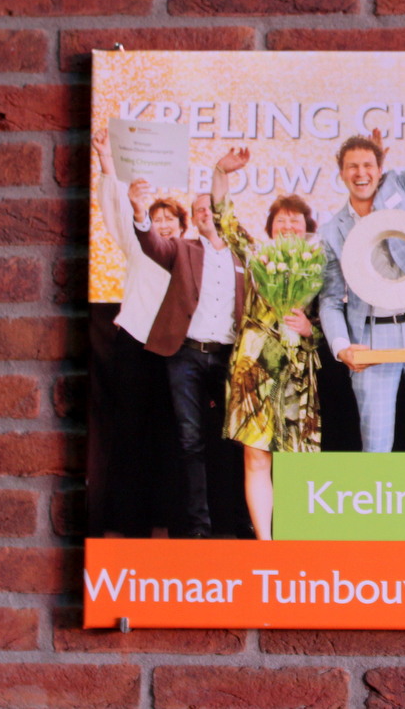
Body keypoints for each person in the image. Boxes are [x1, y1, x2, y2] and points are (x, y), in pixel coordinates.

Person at [319, 59, 405, 453]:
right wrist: (342, 346)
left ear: (380, 169)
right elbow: (330, 300)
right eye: (352, 167)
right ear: (341, 173)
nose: (360, 173)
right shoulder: (332, 230)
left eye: (368, 165)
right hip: (370, 336)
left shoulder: (403, 188)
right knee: (376, 445)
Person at [208, 148, 321, 541]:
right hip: (255, 366)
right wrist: (221, 171)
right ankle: (265, 542)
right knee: (256, 457)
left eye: (296, 220)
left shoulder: (320, 266)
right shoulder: (256, 255)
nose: (288, 225)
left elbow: (337, 320)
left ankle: (294, 537)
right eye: (281, 219)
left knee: (296, 459)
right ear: (271, 227)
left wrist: (311, 330)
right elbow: (223, 217)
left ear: (307, 227)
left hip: (297, 370)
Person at [132, 184, 245, 539]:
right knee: (190, 440)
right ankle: (198, 527)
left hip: (230, 356)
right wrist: (139, 212)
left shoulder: (244, 254)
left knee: (235, 440)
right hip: (185, 355)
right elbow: (152, 244)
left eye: (211, 207)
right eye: (198, 210)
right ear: (193, 220)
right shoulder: (183, 249)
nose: (204, 213)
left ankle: (235, 522)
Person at [91, 130, 186, 536]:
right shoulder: (138, 247)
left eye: (170, 220)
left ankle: (171, 522)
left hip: (177, 351)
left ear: (183, 226)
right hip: (134, 343)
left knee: (173, 436)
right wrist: (106, 161)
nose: (163, 225)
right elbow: (115, 209)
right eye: (157, 218)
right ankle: (130, 523)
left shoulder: (191, 257)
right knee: (131, 434)